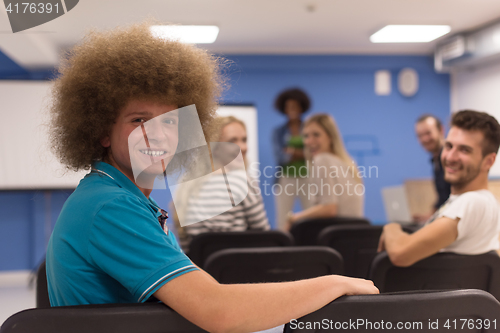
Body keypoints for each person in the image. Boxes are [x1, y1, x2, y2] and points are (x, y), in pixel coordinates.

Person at [45, 22, 378, 333]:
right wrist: (334, 282)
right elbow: (218, 310)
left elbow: (207, 295)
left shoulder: (126, 199)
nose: (157, 136)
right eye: (139, 120)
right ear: (103, 131)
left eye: (171, 122)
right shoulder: (110, 207)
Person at [378, 110, 500, 267]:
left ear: (488, 161)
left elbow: (400, 253)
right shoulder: (481, 201)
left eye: (464, 150)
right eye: (449, 146)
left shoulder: (472, 202)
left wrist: (391, 227)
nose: (450, 157)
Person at [175, 116, 270, 252]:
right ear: (215, 148)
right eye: (233, 141)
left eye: (244, 140)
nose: (243, 147)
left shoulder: (186, 187)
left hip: (200, 270)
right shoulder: (242, 181)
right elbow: (265, 239)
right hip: (238, 269)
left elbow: (187, 247)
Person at [287, 114, 364, 225]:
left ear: (330, 137)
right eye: (306, 136)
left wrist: (293, 218)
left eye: (316, 135)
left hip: (335, 236)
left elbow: (329, 208)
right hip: (352, 236)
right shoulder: (347, 163)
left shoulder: (322, 159)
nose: (309, 141)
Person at [273, 88, 312, 230]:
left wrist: (292, 151)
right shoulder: (278, 132)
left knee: (312, 217)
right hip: (285, 178)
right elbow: (281, 157)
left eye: (295, 106)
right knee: (283, 219)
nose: (292, 110)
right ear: (284, 109)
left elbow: (314, 155)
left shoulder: (310, 128)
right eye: (289, 107)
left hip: (308, 177)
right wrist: (302, 153)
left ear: (302, 108)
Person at [414, 114, 451, 221]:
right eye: (420, 135)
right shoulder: (435, 161)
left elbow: (455, 198)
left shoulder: (450, 159)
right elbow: (444, 198)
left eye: (428, 133)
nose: (424, 139)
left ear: (441, 130)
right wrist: (430, 215)